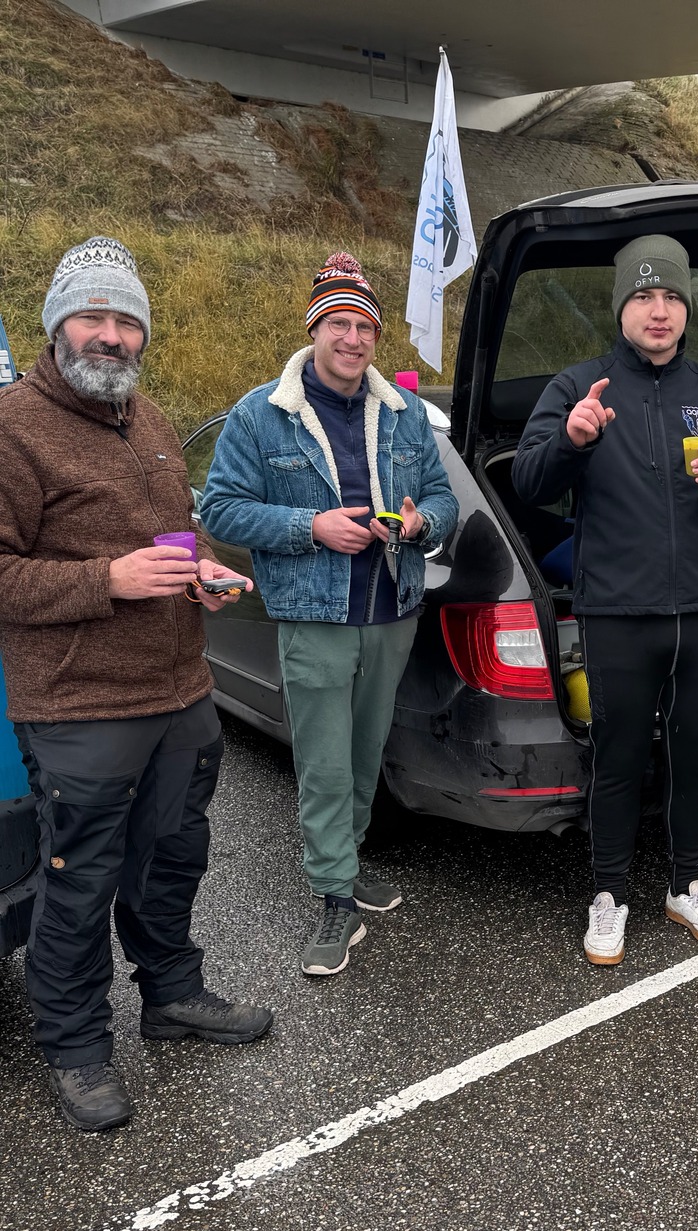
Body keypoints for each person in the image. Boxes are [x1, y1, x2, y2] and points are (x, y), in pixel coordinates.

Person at [0, 236, 271, 1131]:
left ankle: (172, 995)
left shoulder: (147, 419)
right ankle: (77, 1048)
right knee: (79, 881)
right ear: (57, 325)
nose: (111, 335)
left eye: (127, 320)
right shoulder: (13, 428)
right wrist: (105, 580)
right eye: (93, 316)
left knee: (172, 861)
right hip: (79, 704)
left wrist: (203, 573)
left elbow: (174, 536)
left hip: (180, 691)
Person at [512, 235, 698, 966]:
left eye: (670, 297)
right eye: (642, 296)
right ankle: (609, 893)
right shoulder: (580, 387)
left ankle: (687, 884)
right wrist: (570, 441)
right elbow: (528, 482)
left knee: (697, 755)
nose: (658, 311)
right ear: (620, 307)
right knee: (619, 758)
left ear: (685, 308)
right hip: (617, 611)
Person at [201, 253, 457, 978]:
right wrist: (310, 526)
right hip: (314, 615)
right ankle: (333, 895)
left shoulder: (406, 414)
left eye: (364, 327)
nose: (352, 338)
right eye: (338, 324)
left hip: (391, 609)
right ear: (314, 330)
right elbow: (220, 509)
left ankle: (346, 862)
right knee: (322, 762)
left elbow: (443, 499)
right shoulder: (261, 415)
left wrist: (419, 524)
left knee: (367, 752)